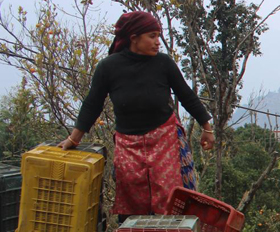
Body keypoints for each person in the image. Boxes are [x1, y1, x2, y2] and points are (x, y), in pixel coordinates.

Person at [59, 11, 214, 220]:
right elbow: (92, 105)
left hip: (164, 140)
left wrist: (206, 128)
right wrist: (73, 139)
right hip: (128, 144)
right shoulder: (109, 67)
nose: (157, 42)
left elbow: (186, 95)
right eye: (152, 36)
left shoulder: (163, 63)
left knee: (171, 199)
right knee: (132, 202)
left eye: (158, 36)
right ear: (134, 38)